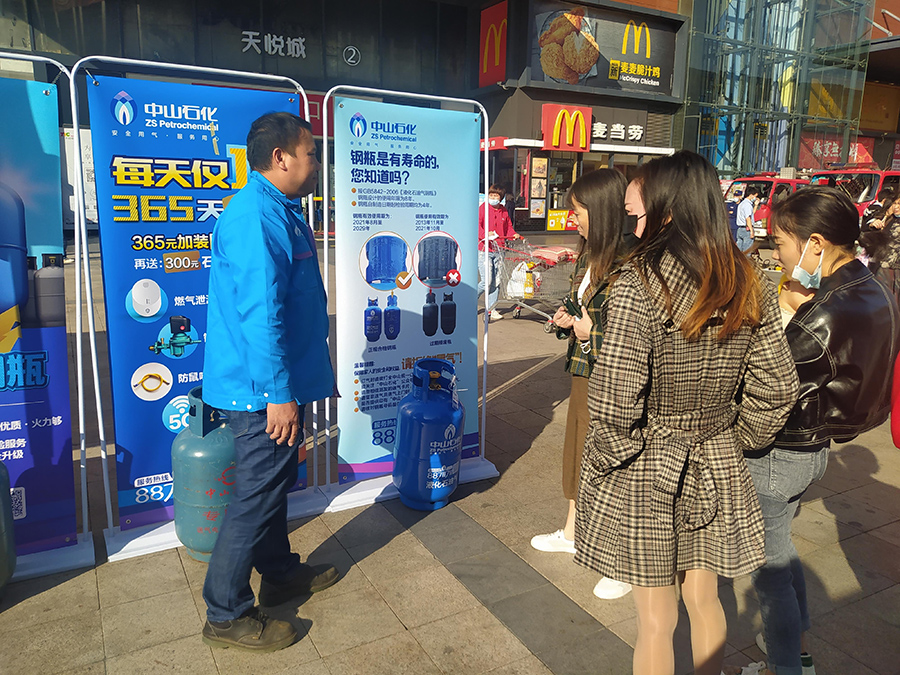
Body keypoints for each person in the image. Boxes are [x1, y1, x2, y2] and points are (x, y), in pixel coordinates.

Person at [574, 151, 799, 675]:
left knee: (656, 619)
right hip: (717, 456)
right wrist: (734, 439)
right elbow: (778, 386)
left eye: (640, 211)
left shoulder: (639, 283)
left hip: (649, 463)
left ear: (669, 209)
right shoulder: (748, 277)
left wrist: (612, 461)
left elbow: (614, 401)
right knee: (705, 599)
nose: (634, 223)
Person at [744, 186, 900, 675]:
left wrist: (783, 315)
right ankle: (800, 655)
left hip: (782, 451)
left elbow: (768, 380)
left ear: (815, 243)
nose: (776, 255)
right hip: (815, 445)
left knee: (769, 573)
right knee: (782, 552)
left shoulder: (824, 314)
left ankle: (786, 667)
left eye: (780, 243)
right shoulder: (874, 285)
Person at [200, 112, 339, 652]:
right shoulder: (257, 217)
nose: (316, 162)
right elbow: (261, 316)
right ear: (280, 157)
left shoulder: (279, 208)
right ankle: (225, 613)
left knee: (272, 485)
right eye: (310, 153)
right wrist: (278, 394)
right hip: (259, 390)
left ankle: (279, 573)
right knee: (255, 496)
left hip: (272, 384)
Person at [530, 169, 633, 601]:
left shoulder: (630, 262)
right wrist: (567, 319)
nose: (573, 218)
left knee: (611, 460)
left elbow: (635, 334)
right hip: (583, 370)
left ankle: (622, 558)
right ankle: (573, 531)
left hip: (614, 378)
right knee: (577, 449)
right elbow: (583, 308)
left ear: (602, 210)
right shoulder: (590, 254)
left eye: (579, 210)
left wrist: (593, 333)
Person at [478, 184, 521, 320]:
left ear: (501, 198)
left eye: (495, 195)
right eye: (491, 195)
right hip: (485, 249)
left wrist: (513, 234)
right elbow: (477, 225)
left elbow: (508, 227)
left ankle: (492, 309)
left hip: (500, 249)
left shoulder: (503, 210)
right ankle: (469, 300)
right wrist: (485, 234)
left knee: (496, 281)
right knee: (487, 281)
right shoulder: (483, 208)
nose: (492, 197)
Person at [735, 186, 759, 253]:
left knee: (739, 251)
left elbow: (751, 214)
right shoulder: (747, 205)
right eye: (755, 196)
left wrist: (756, 205)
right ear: (751, 195)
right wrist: (751, 231)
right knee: (747, 251)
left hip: (740, 229)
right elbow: (748, 218)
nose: (756, 198)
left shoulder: (742, 204)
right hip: (746, 229)